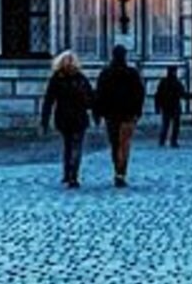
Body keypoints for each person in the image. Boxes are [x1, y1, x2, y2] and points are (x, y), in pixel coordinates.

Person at [93, 44, 147, 187]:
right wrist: (138, 111)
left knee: (115, 143)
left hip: (111, 114)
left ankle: (117, 170)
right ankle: (121, 173)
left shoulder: (105, 73)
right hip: (128, 114)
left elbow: (99, 94)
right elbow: (139, 94)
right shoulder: (132, 73)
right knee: (124, 144)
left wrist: (97, 113)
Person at [39, 50, 94, 189]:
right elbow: (91, 98)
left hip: (63, 117)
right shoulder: (80, 78)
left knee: (68, 146)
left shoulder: (57, 78)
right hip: (78, 117)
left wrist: (44, 121)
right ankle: (72, 176)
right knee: (76, 146)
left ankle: (67, 173)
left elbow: (49, 100)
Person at [154, 65, 187, 147]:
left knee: (167, 125)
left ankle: (164, 141)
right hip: (173, 106)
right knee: (172, 125)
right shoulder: (175, 82)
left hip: (168, 106)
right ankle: (172, 141)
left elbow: (158, 95)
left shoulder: (165, 82)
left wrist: (157, 107)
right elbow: (182, 93)